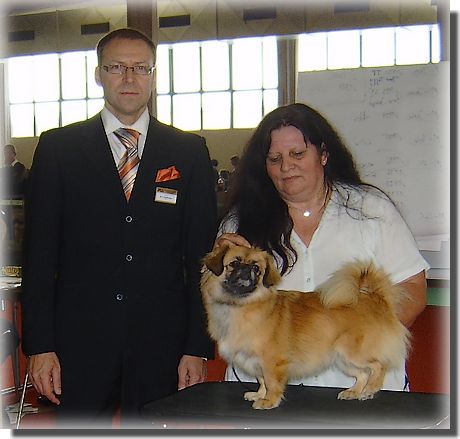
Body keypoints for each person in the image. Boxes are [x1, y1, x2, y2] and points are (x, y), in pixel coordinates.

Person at [21, 28, 217, 427]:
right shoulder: (59, 149)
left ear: (154, 76)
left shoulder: (188, 151)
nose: (129, 78)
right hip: (79, 342)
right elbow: (39, 255)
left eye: (140, 68)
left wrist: (197, 346)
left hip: (161, 343)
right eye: (116, 67)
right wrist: (40, 346)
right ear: (99, 75)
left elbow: (202, 257)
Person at [216, 103, 428, 392]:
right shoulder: (240, 223)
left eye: (298, 154)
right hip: (268, 388)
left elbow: (413, 289)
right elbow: (222, 310)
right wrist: (218, 270)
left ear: (324, 154)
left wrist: (360, 332)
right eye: (274, 159)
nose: (286, 167)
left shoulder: (372, 210)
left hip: (359, 386)